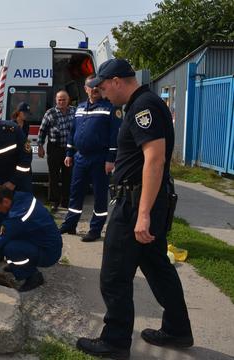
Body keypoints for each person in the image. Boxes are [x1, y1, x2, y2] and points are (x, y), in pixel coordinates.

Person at [75, 59, 193, 359]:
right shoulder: (142, 104)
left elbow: (155, 159)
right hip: (145, 202)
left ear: (116, 80)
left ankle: (114, 341)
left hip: (136, 205)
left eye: (102, 87)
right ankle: (178, 330)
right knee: (158, 269)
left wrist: (142, 214)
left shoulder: (144, 107)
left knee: (114, 275)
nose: (101, 93)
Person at [58, 75, 122, 242]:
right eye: (90, 87)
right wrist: (69, 154)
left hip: (100, 159)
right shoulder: (79, 108)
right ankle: (70, 224)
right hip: (80, 158)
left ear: (101, 88)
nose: (93, 90)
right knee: (75, 192)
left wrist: (110, 159)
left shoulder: (111, 108)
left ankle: (95, 229)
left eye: (96, 87)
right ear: (85, 89)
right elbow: (73, 133)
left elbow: (115, 136)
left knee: (99, 195)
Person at [37, 90, 76, 211]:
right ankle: (54, 201)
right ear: (56, 100)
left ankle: (66, 201)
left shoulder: (74, 111)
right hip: (54, 148)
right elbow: (42, 131)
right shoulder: (50, 113)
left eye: (64, 99)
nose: (62, 102)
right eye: (59, 100)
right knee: (53, 176)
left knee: (68, 176)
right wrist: (40, 146)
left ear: (68, 100)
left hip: (70, 149)